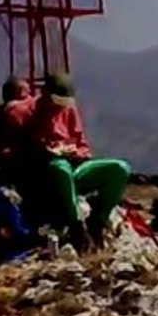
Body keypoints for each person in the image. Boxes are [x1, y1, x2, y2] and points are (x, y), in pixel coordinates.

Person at [28, 73, 130, 251]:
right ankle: (76, 226)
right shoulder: (35, 112)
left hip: (75, 164)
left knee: (120, 168)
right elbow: (33, 144)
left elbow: (82, 144)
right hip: (53, 170)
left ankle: (99, 218)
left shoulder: (69, 110)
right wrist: (49, 150)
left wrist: (75, 152)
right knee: (59, 168)